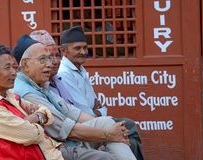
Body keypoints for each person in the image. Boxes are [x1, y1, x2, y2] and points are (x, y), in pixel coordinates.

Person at [12, 34, 136, 160]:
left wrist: (112, 131)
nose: (50, 64)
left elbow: (72, 111)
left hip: (72, 139)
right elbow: (67, 130)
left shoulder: (40, 84)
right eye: (43, 59)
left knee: (110, 123)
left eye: (50, 58)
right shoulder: (27, 92)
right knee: (105, 155)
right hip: (59, 147)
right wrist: (109, 135)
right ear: (25, 65)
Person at [57, 26, 144, 160]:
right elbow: (84, 111)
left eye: (85, 48)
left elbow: (99, 106)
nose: (83, 52)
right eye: (77, 48)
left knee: (127, 131)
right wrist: (96, 110)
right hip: (82, 128)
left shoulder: (80, 69)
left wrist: (97, 110)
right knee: (127, 128)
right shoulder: (64, 73)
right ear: (64, 51)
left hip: (93, 121)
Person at [0, 43, 63, 160]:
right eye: (7, 68)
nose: (14, 72)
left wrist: (31, 119)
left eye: (14, 67)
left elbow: (47, 113)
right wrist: (38, 117)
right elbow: (33, 135)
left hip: (51, 152)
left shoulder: (8, 96)